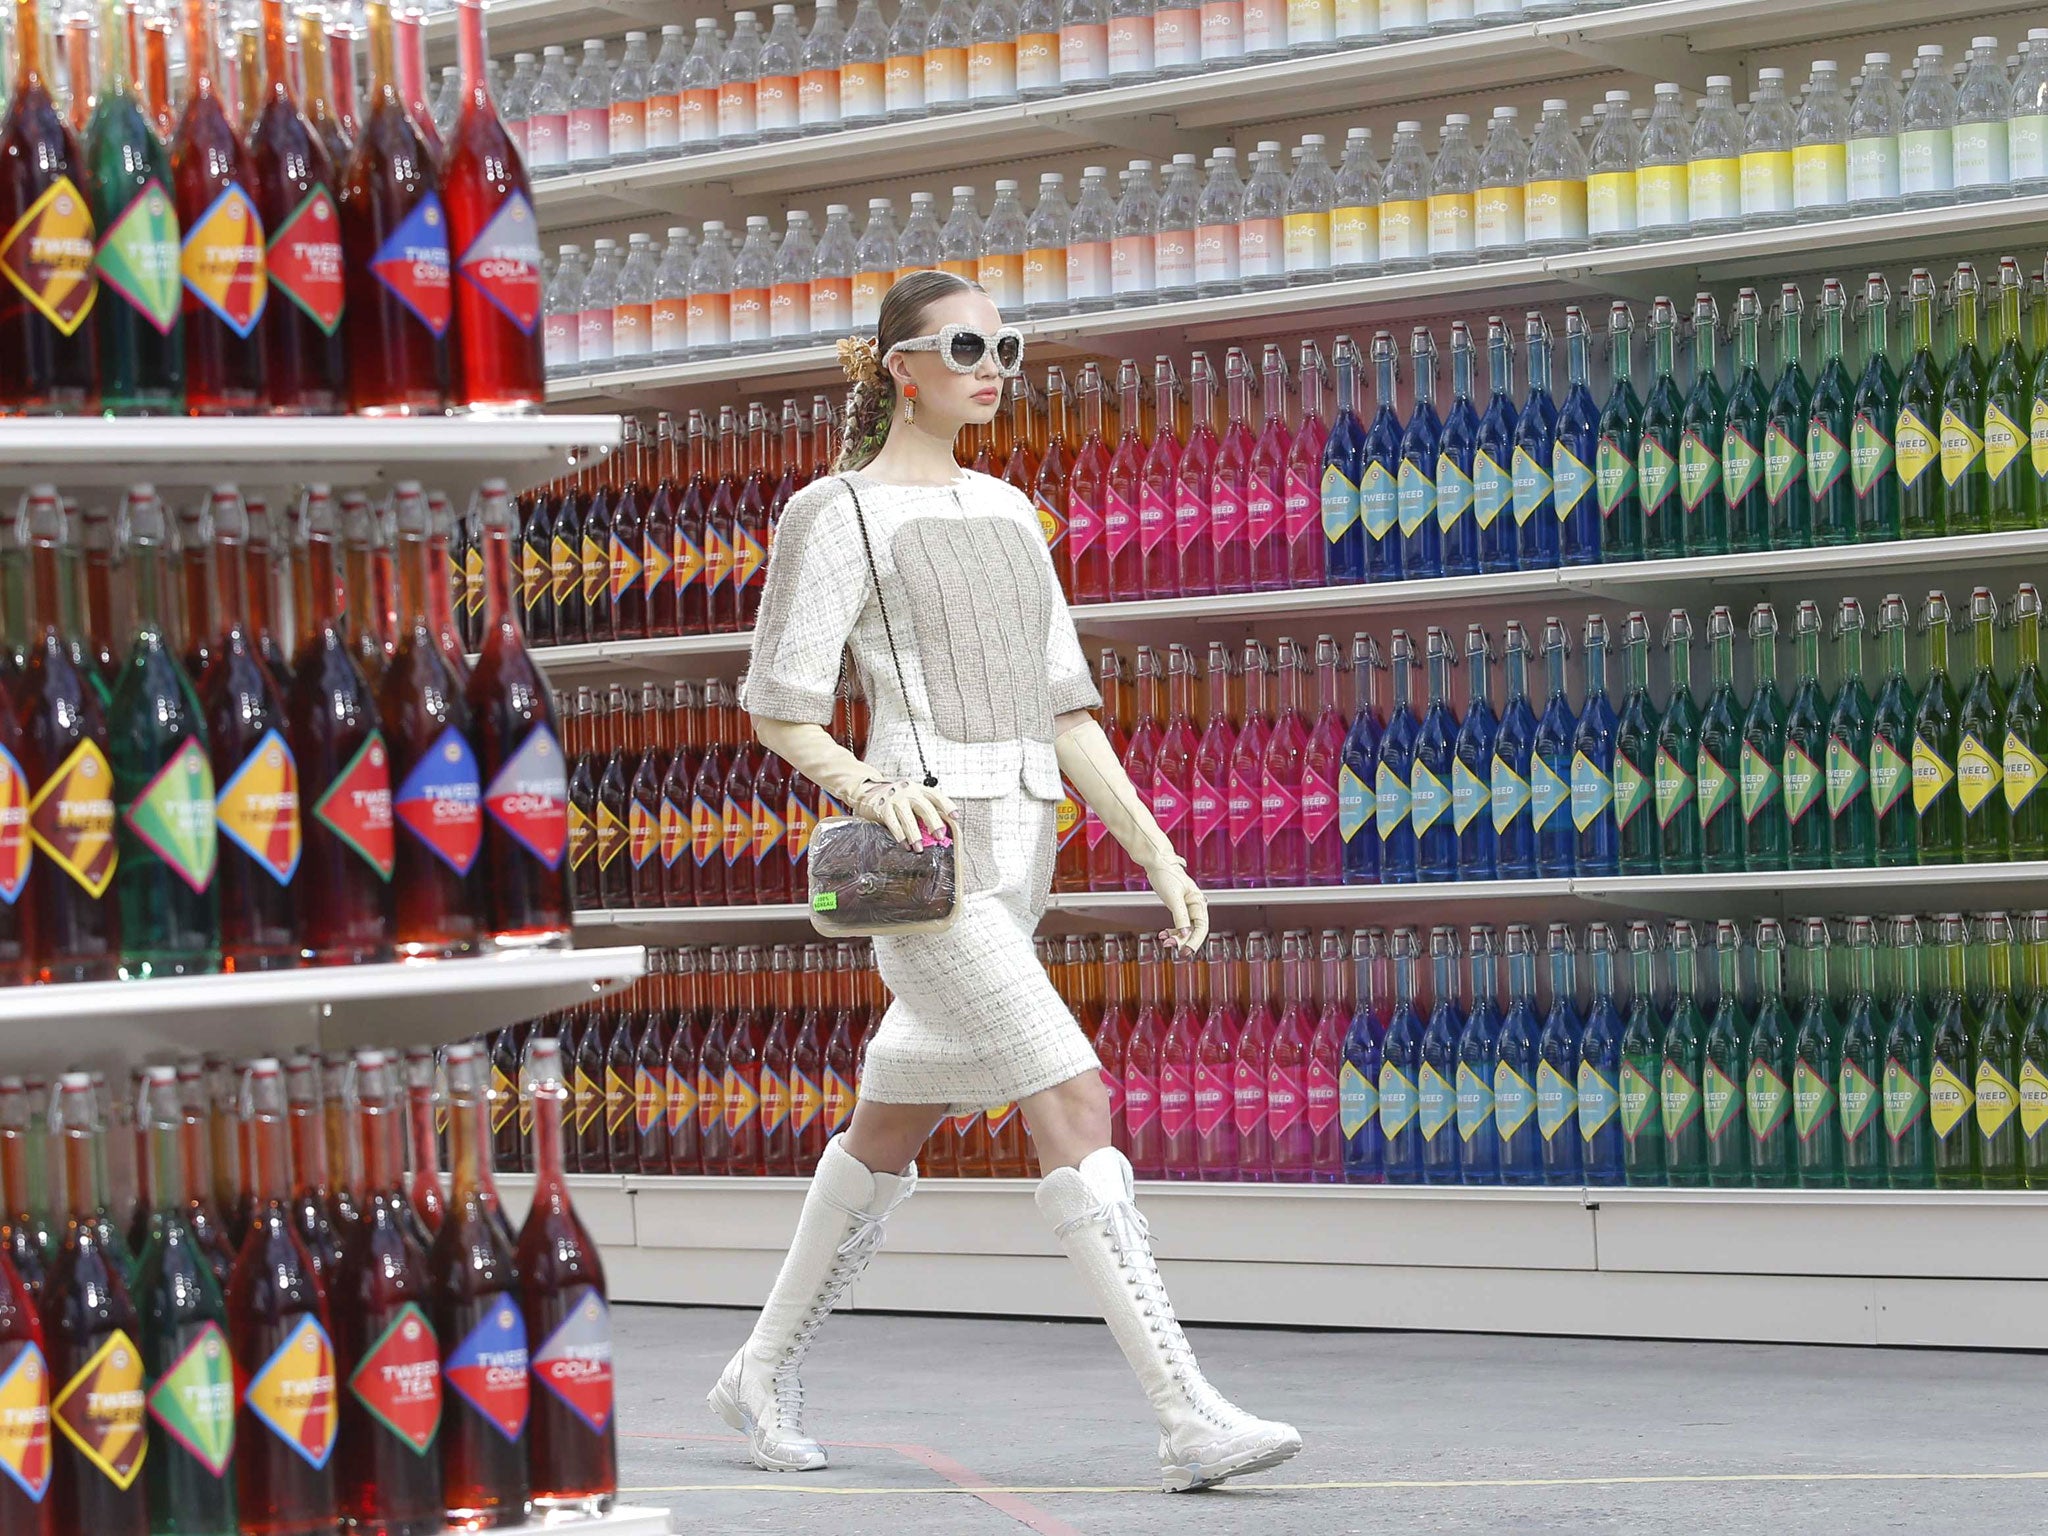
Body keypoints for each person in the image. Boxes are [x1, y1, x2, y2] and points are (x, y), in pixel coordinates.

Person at [709, 269, 1303, 1493]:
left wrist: (1151, 846)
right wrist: (872, 792)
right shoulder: (834, 514)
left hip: (1024, 847)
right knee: (1072, 1096)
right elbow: (778, 707)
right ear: (897, 368)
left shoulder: (1010, 512)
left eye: (1008, 346)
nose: (995, 365)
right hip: (924, 871)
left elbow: (1065, 707)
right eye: (967, 344)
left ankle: (756, 1374)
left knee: (887, 1126)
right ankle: (1187, 1414)